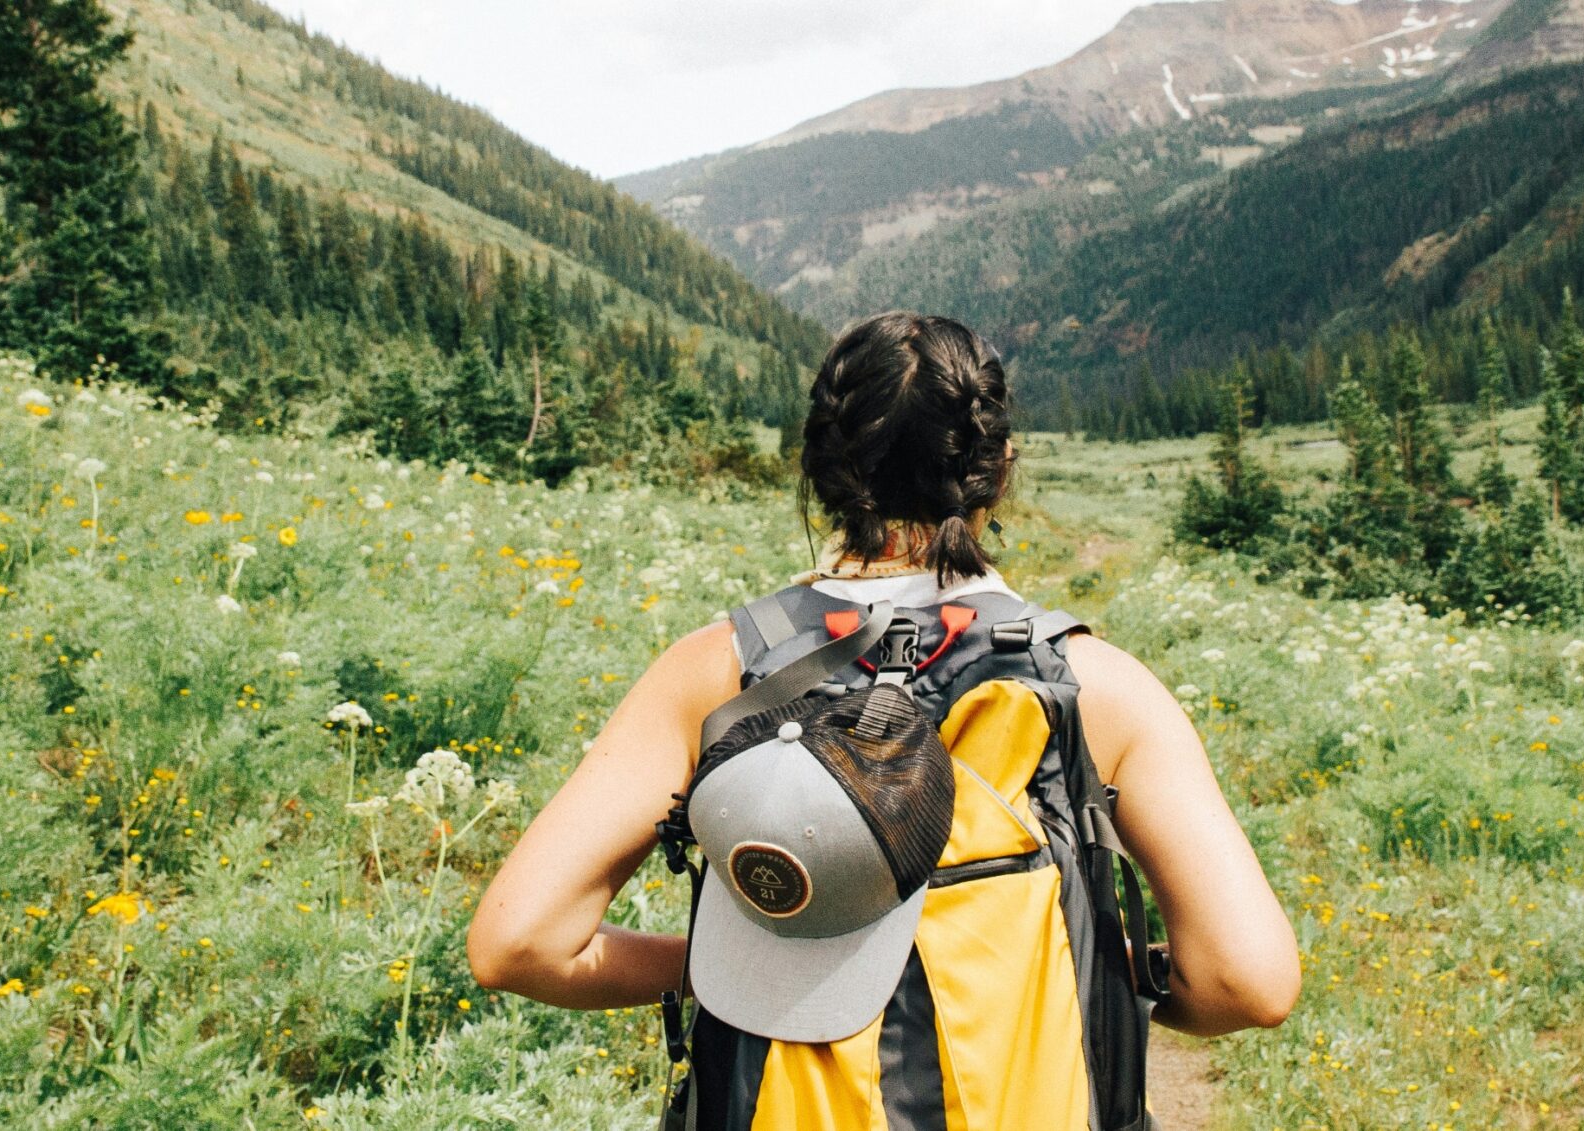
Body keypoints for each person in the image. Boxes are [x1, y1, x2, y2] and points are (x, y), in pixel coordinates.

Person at [468, 312, 1297, 1127]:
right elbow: (1248, 980)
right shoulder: (1095, 686)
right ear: (998, 469)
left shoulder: (718, 671)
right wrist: (1099, 972)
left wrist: (719, 966)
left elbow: (519, 943)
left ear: (821, 471)